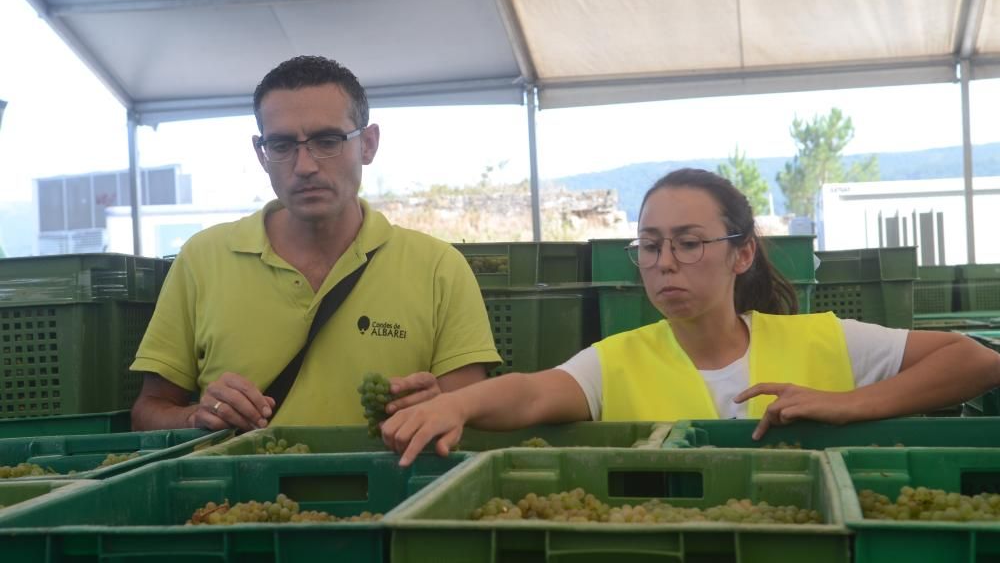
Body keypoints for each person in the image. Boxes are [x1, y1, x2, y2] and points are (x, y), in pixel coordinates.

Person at [381, 168, 1000, 466]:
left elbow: (977, 361)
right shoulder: (617, 360)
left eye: (688, 242)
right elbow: (528, 394)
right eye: (650, 246)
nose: (666, 262)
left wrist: (850, 403)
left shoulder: (825, 339)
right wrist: (458, 404)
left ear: (743, 253)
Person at [130, 56, 501, 431]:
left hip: (400, 490)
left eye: (328, 141)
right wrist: (197, 416)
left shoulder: (438, 268)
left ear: (368, 144)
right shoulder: (202, 260)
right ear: (261, 153)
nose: (305, 165)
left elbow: (474, 419)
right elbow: (148, 412)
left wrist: (442, 408)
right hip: (244, 490)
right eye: (282, 145)